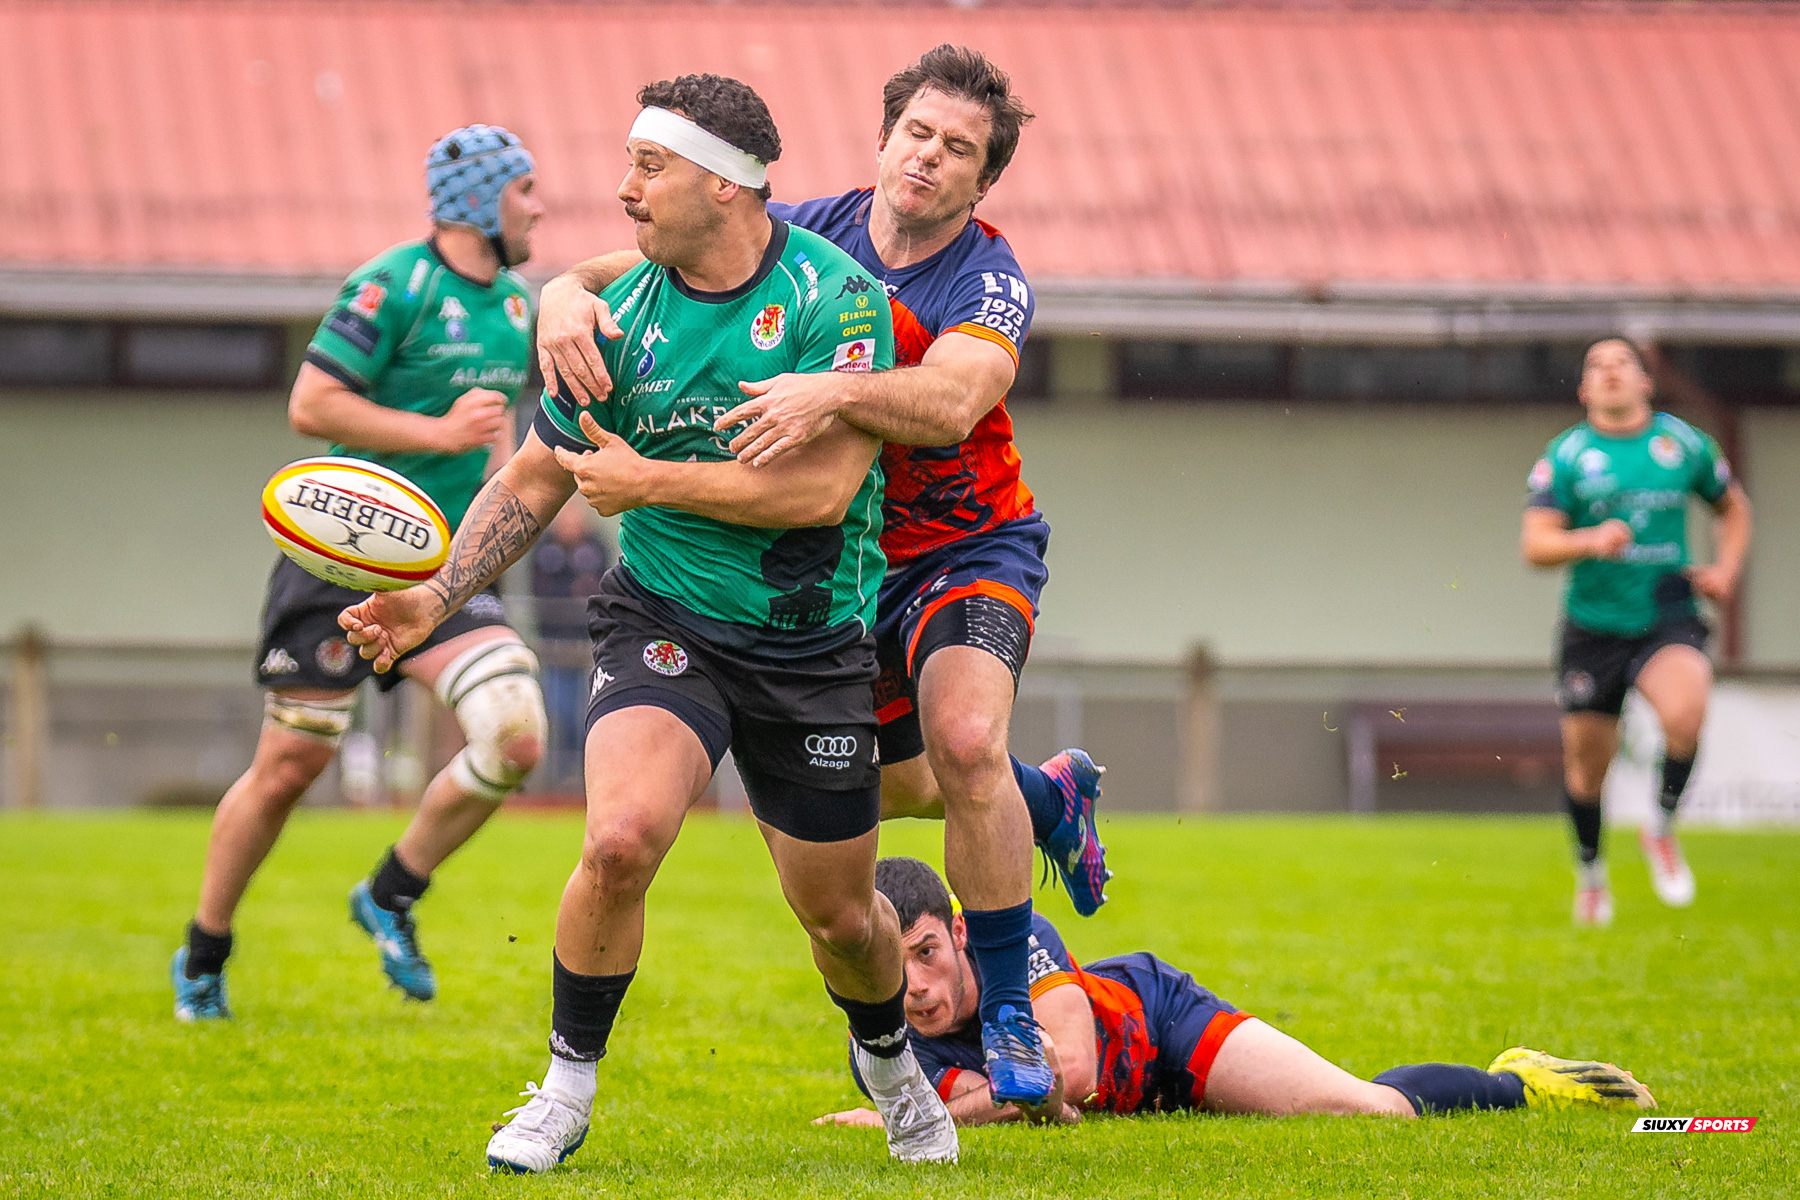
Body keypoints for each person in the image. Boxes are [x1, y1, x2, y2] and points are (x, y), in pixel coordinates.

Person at [339, 75, 960, 1172]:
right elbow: (537, 478)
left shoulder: (838, 301)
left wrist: (649, 482)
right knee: (619, 840)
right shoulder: (615, 318)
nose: (624, 189)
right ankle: (565, 1090)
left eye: (649, 166)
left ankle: (889, 1063)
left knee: (841, 919)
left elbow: (821, 491)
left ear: (724, 186)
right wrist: (434, 597)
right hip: (665, 619)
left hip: (812, 644)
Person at [535, 45, 1110, 1112]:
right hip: (847, 562)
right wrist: (561, 296)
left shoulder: (987, 279)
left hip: (965, 546)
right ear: (883, 138)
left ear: (985, 180)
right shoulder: (807, 235)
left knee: (965, 741)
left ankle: (1010, 1009)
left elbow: (951, 402)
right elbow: (641, 262)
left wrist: (828, 393)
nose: (929, 158)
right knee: (906, 788)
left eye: (959, 150)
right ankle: (1049, 796)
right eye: (917, 134)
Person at [170, 125, 548, 1021]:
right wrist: (437, 434)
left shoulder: (519, 305)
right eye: (524, 190)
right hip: (341, 558)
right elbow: (312, 404)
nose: (538, 209)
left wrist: (498, 496)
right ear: (480, 202)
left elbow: (495, 431)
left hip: (444, 569)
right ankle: (204, 953)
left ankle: (390, 893)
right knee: (291, 765)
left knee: (516, 735)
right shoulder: (393, 285)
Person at [817, 858, 1656, 1128]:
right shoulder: (878, 1037)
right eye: (897, 963)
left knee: (1369, 1113)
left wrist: (904, 1118)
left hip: (1161, 1026)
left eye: (927, 953)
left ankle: (1521, 1080)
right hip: (1138, 1098)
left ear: (961, 932)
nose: (915, 988)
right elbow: (1016, 1100)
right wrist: (965, 1104)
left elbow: (1068, 1075)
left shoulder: (1018, 938)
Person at [1521, 338, 1751, 925]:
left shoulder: (1683, 445)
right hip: (1593, 626)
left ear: (1646, 381)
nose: (1610, 372)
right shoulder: (1567, 455)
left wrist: (1726, 570)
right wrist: (1588, 540)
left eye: (1622, 363)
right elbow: (1535, 544)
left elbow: (1733, 508)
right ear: (1583, 390)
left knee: (1686, 714)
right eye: (1597, 366)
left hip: (1666, 610)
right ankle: (1592, 874)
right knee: (1586, 769)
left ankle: (1661, 827)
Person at [532, 498, 613, 783]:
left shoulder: (596, 546)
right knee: (559, 712)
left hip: (589, 648)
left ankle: (585, 775)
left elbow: (598, 588)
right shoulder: (545, 548)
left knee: (587, 714)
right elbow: (544, 589)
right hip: (553, 648)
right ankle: (558, 778)